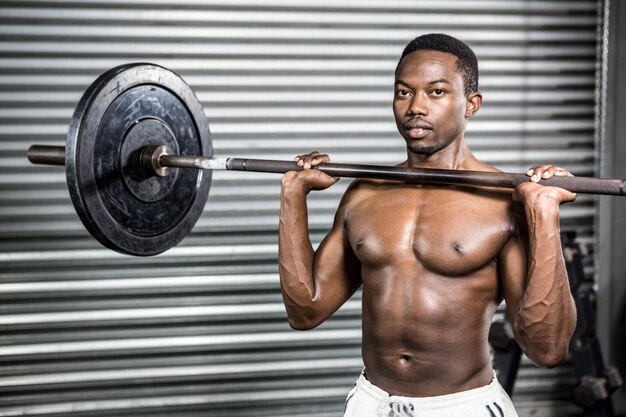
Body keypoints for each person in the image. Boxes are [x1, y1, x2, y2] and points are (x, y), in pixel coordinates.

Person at [277, 33, 577, 417]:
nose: (416, 107)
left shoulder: (505, 203)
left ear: (471, 104)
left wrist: (544, 214)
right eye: (404, 92)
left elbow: (547, 349)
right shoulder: (364, 194)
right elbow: (305, 311)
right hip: (372, 402)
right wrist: (292, 197)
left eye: (436, 92)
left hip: (462, 406)